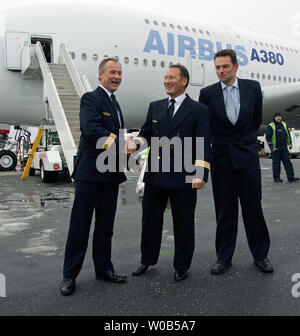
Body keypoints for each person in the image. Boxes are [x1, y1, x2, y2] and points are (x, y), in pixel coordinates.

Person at [132, 64, 210, 282]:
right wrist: (135, 144)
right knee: (150, 220)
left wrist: (200, 173)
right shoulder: (155, 107)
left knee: (183, 223)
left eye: (172, 78)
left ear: (184, 81)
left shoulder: (199, 110)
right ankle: (147, 260)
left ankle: (182, 265)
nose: (167, 81)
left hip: (184, 175)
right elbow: (145, 133)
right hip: (156, 174)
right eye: (165, 77)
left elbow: (203, 143)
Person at [199, 49, 273, 275]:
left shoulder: (253, 88)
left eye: (225, 67)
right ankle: (223, 257)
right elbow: (206, 126)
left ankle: (261, 256)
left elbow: (255, 120)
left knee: (253, 210)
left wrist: (243, 142)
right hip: (221, 161)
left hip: (247, 159)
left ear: (235, 67)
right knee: (224, 211)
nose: (220, 71)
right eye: (217, 68)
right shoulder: (207, 93)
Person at [61, 58, 129, 296]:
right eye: (112, 72)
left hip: (110, 174)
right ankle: (70, 275)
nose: (117, 76)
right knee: (80, 226)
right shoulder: (91, 99)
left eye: (120, 73)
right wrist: (121, 142)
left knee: (105, 227)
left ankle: (104, 268)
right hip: (90, 174)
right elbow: (92, 131)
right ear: (101, 75)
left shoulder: (115, 103)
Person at [266, 113, 299, 183]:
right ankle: (276, 178)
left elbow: (288, 134)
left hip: (284, 147)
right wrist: (271, 147)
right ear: (274, 118)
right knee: (276, 163)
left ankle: (291, 177)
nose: (278, 118)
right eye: (277, 117)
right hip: (276, 147)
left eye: (279, 117)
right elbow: (268, 138)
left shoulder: (284, 124)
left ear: (281, 118)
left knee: (287, 162)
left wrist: (290, 143)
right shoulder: (271, 126)